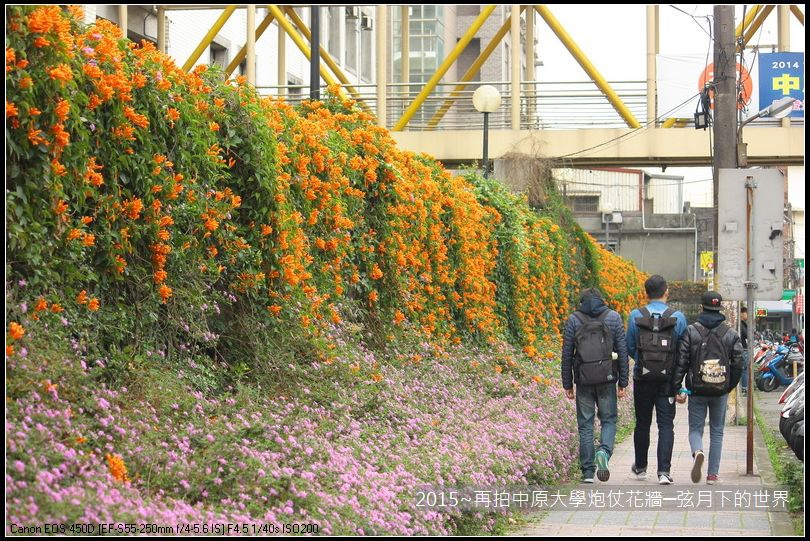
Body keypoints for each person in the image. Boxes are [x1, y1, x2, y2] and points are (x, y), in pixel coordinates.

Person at [671, 291, 744, 485]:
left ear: (701, 307)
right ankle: (712, 475)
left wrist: (677, 386)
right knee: (717, 431)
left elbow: (682, 361)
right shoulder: (731, 333)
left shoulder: (691, 331)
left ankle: (697, 451)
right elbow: (738, 364)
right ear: (720, 308)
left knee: (695, 428)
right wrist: (728, 386)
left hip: (697, 389)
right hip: (720, 390)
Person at [561, 287, 629, 484]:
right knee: (608, 420)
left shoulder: (574, 319)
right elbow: (622, 351)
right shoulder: (613, 317)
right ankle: (604, 452)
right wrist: (623, 381)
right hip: (607, 378)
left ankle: (588, 472)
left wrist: (568, 383)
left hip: (583, 380)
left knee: (585, 425)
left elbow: (567, 354)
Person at [625, 275, 688, 485]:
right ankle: (663, 472)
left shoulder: (636, 315)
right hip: (667, 381)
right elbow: (682, 351)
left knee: (642, 422)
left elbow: (630, 347)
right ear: (666, 291)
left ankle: (641, 468)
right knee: (665, 425)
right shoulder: (677, 317)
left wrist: (645, 364)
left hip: (642, 379)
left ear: (646, 292)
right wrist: (676, 378)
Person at [739, 307, 749, 395]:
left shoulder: (742, 324)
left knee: (744, 369)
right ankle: (744, 388)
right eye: (746, 313)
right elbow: (747, 335)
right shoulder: (741, 325)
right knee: (744, 370)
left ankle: (744, 388)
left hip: (744, 349)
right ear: (741, 314)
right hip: (743, 349)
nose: (748, 315)